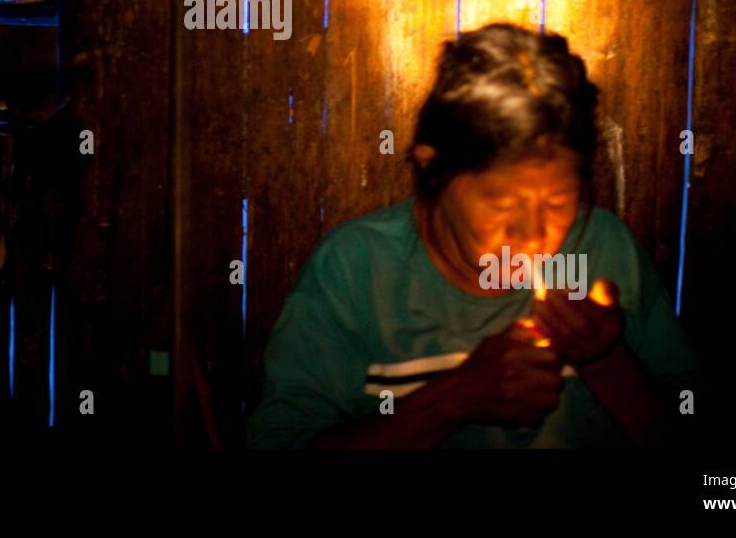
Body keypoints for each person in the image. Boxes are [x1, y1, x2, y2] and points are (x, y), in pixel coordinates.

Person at [247, 23, 701, 448]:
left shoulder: (603, 250)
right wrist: (455, 399)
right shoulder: (356, 268)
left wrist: (604, 360)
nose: (533, 237)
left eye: (558, 202)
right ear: (432, 167)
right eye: (501, 203)